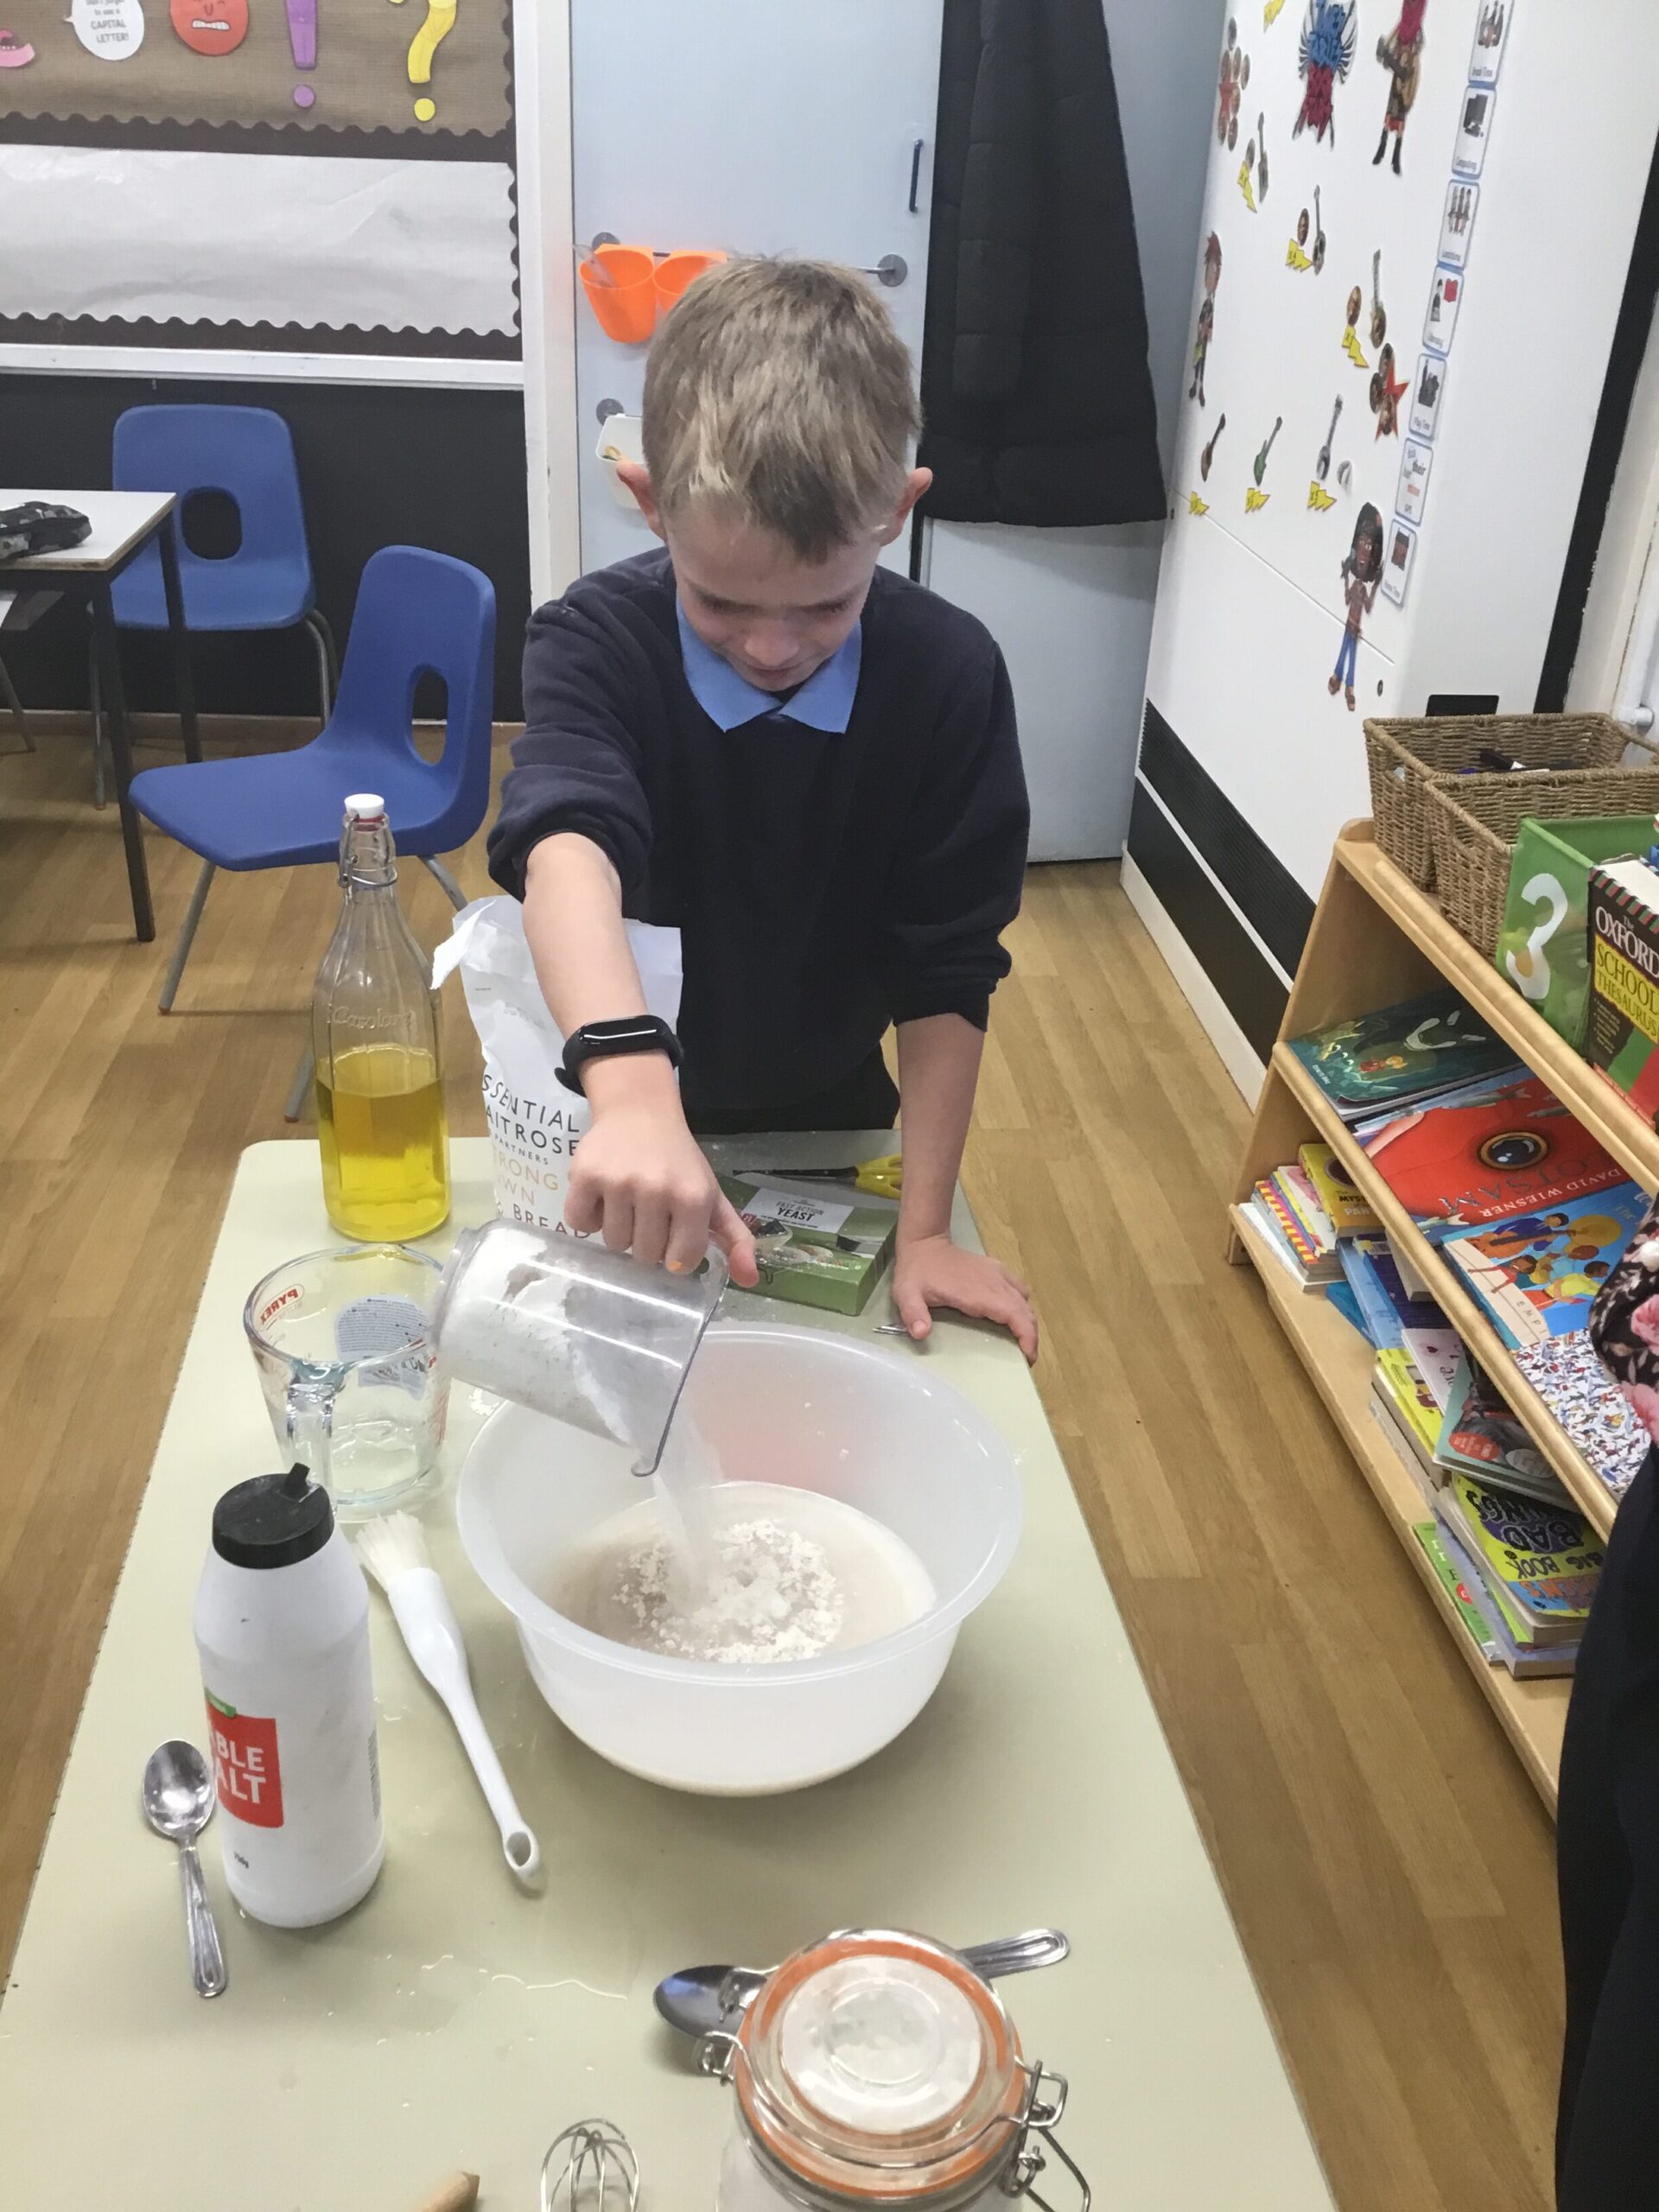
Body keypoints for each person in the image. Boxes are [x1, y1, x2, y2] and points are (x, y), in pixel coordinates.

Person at [487, 258, 1038, 1360]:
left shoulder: (949, 674)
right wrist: (633, 1090)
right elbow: (567, 844)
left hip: (829, 1110)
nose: (774, 647)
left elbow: (947, 971)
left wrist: (927, 1228)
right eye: (722, 600)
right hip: (610, 1098)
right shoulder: (594, 639)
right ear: (649, 501)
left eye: (825, 605)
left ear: (897, 512)